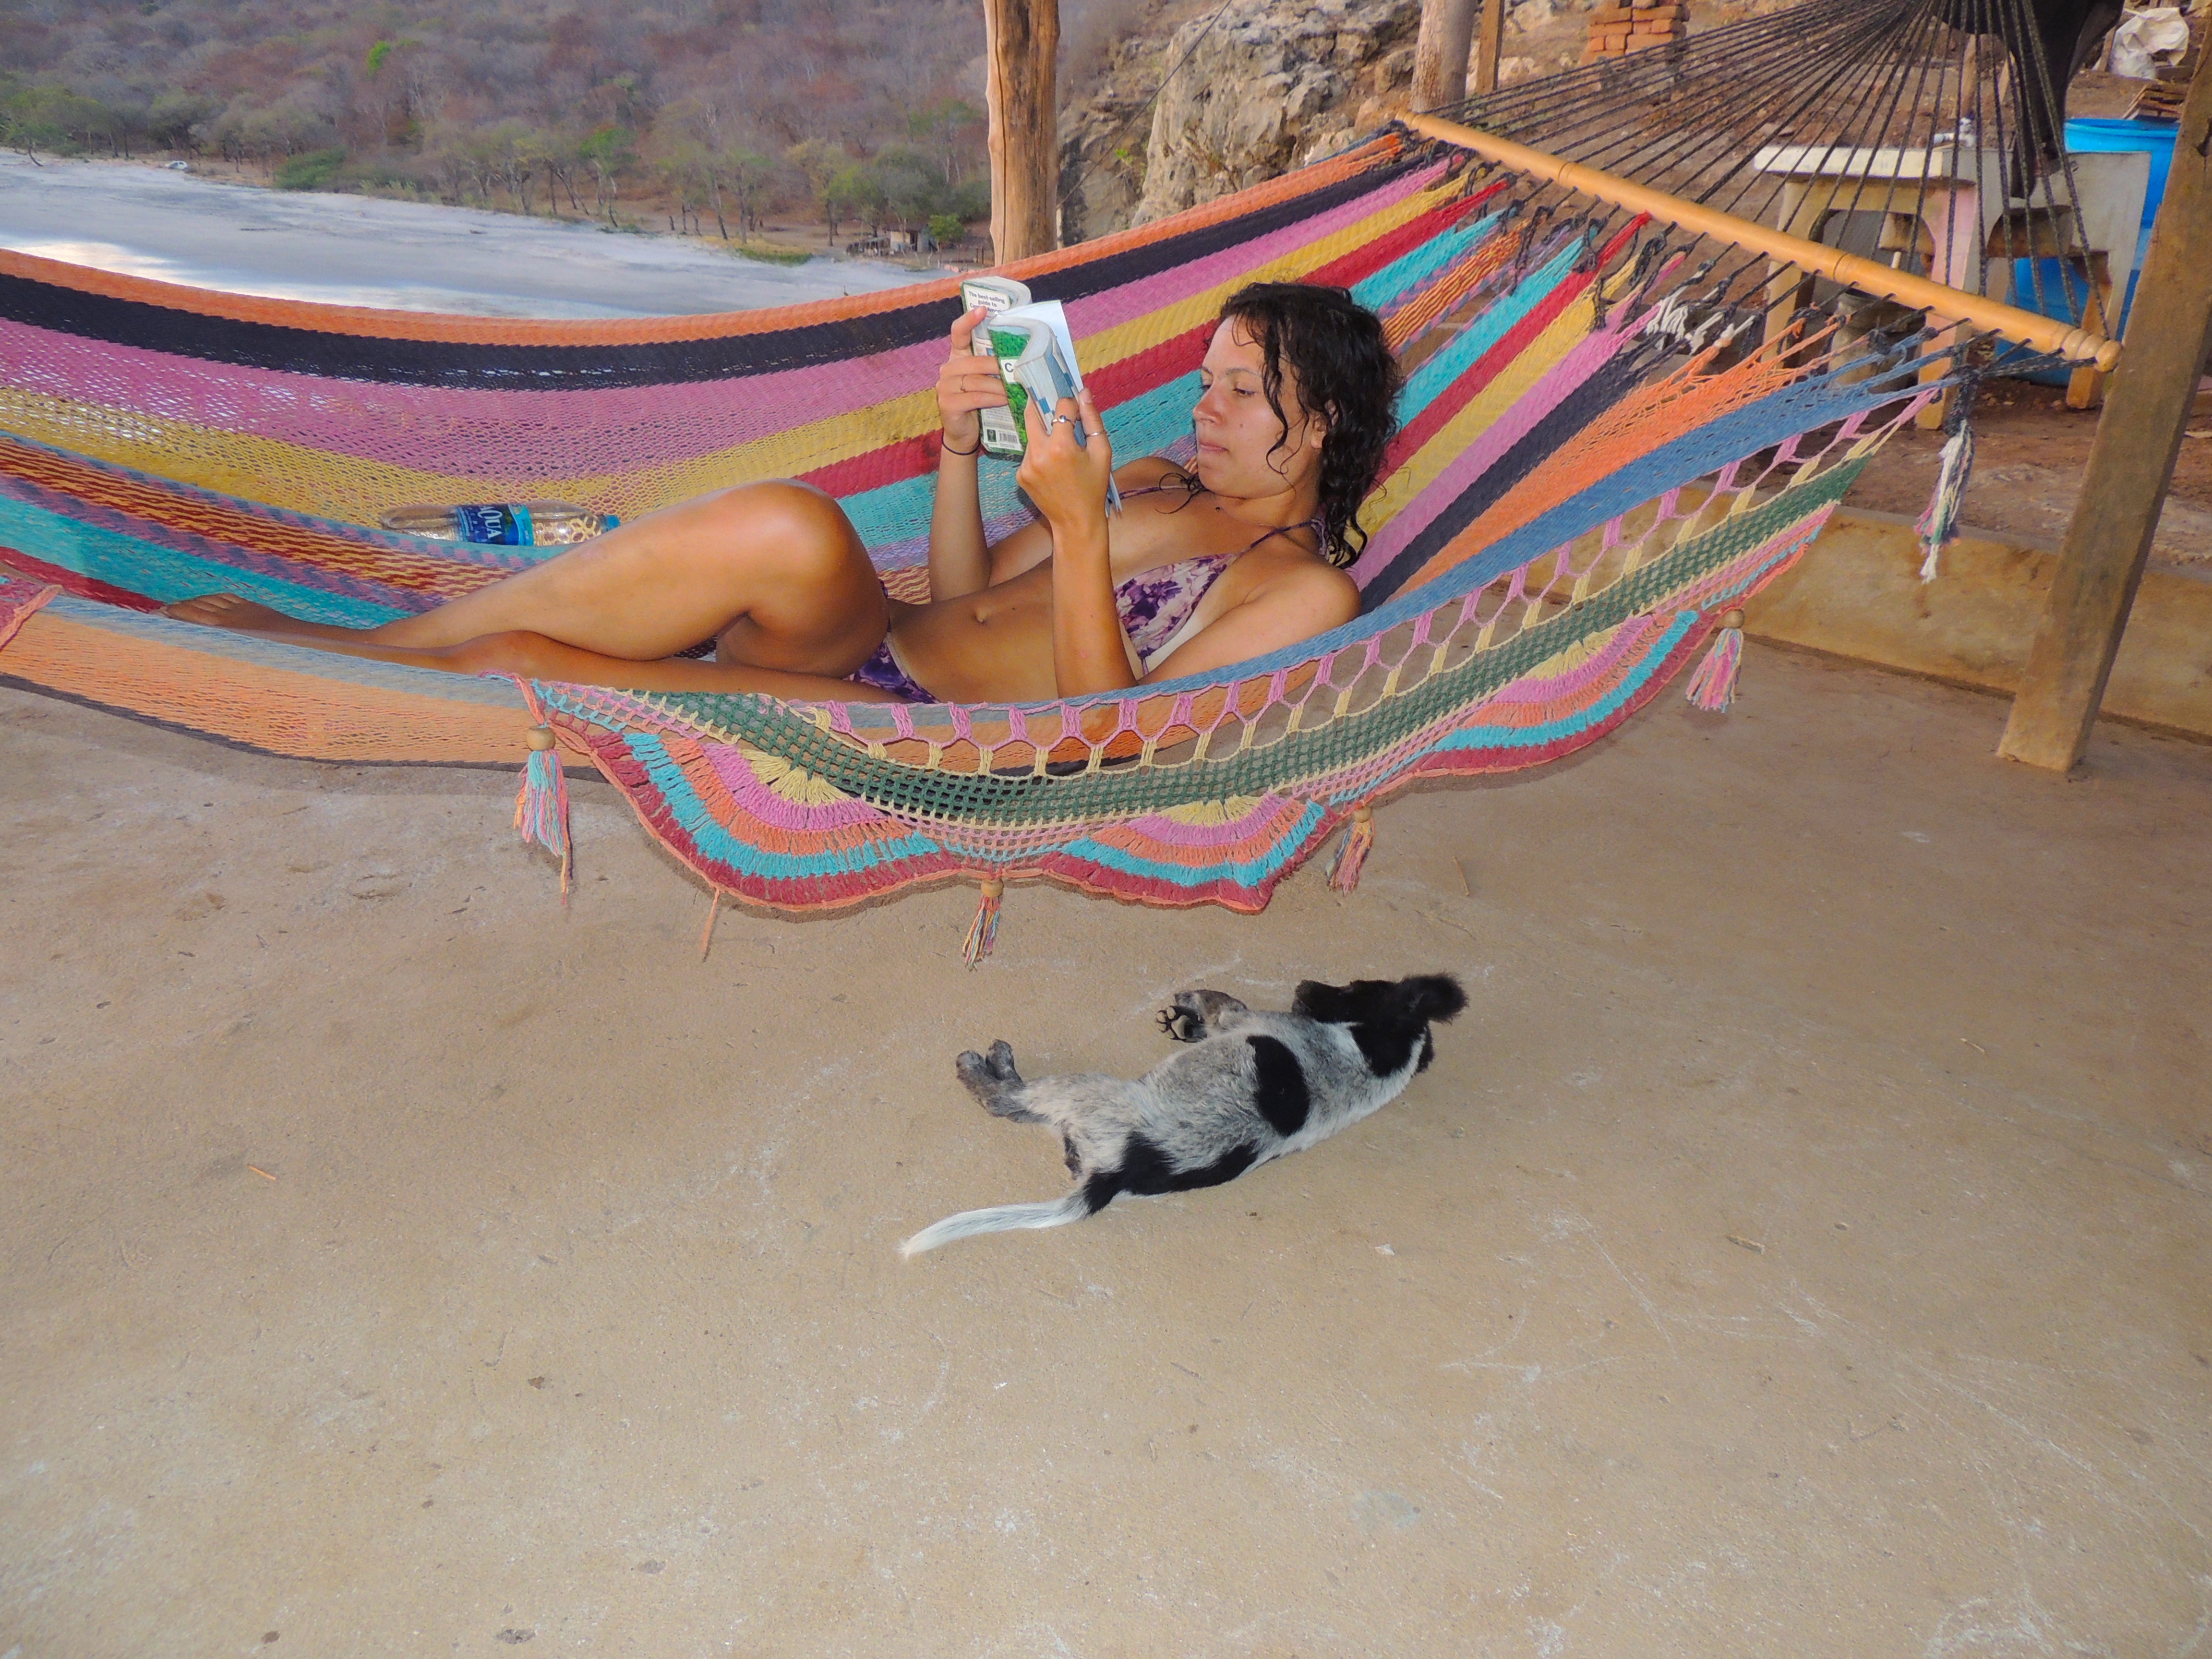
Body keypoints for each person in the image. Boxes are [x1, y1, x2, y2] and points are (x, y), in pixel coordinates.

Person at [163, 282, 1403, 704]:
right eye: (1206, 381)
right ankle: (358, 645)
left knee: (519, 666)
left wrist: (1082, 532)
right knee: (794, 523)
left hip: (926, 731)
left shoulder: (1305, 596)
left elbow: (1112, 740)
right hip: (881, 634)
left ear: (1323, 425)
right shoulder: (1151, 479)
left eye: (1242, 392)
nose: (1204, 409)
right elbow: (967, 596)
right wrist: (959, 453)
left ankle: (312, 656)